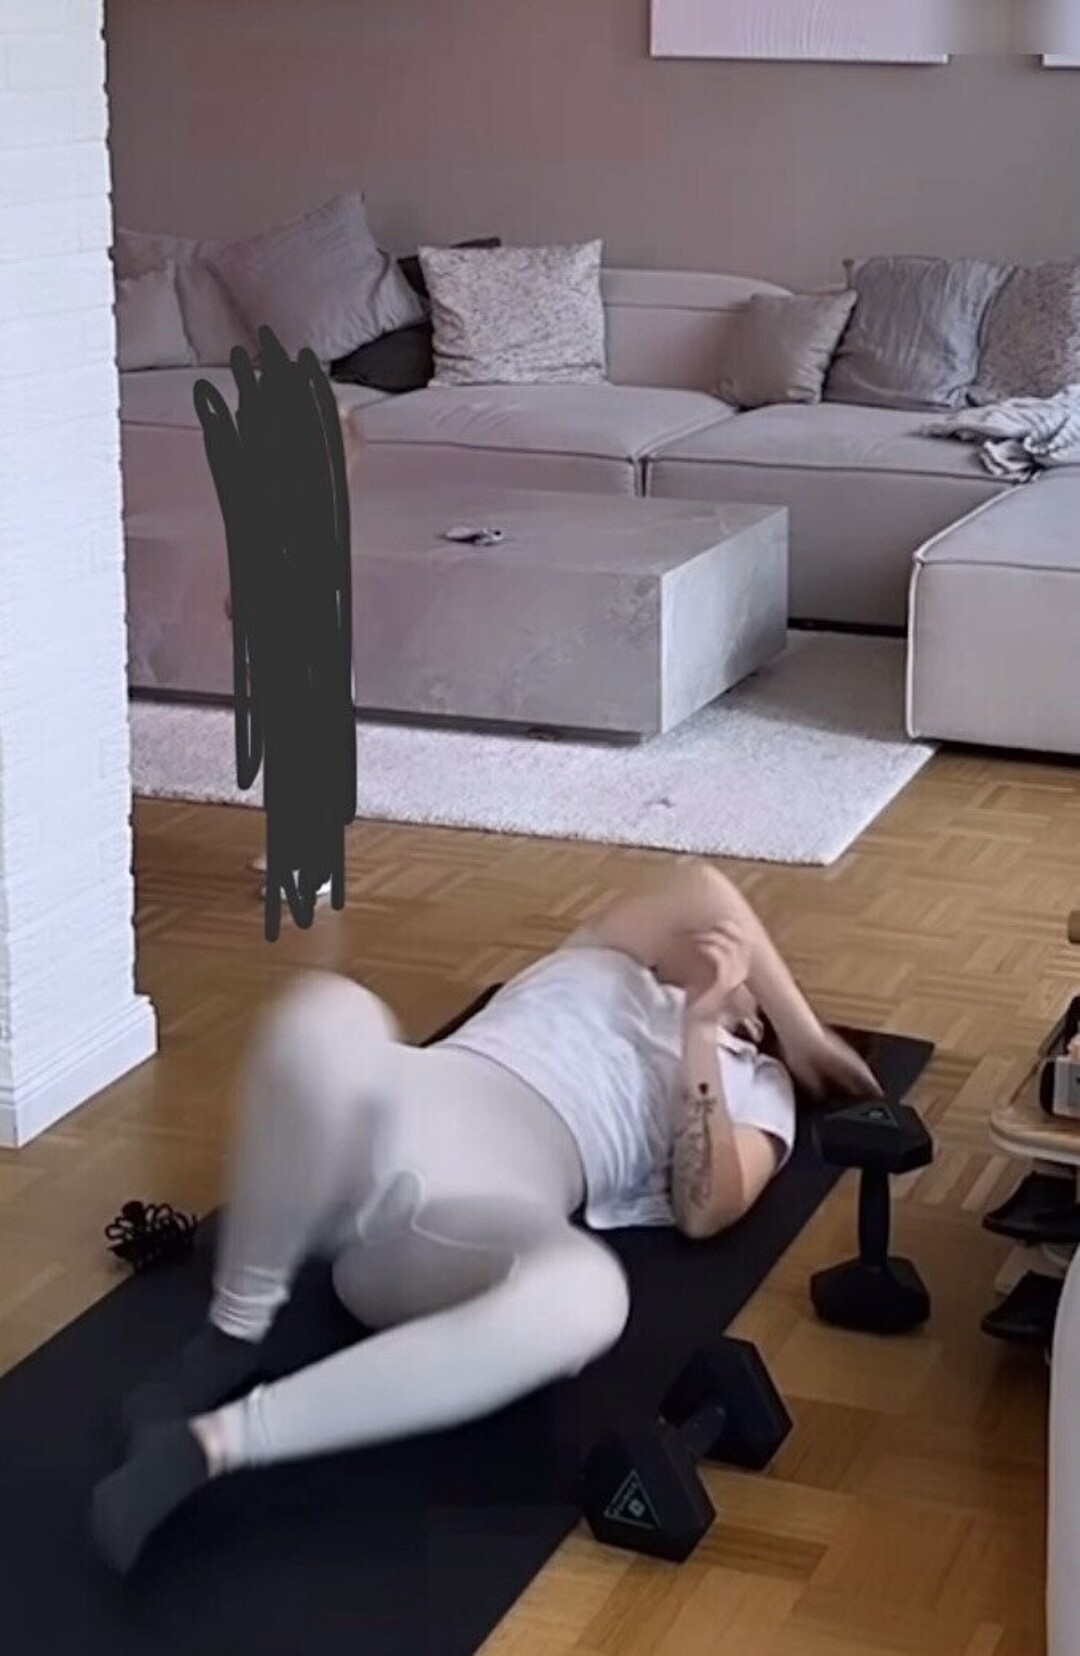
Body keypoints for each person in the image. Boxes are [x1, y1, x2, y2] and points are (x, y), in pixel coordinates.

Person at [91, 858, 882, 1574]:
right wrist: (807, 1027)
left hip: (465, 1218)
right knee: (331, 1011)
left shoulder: (755, 1084)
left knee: (588, 1298)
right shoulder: (601, 955)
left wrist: (704, 1028)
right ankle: (229, 1341)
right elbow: (702, 885)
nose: (721, 947)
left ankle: (209, 1448)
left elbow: (706, 1210)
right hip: (385, 1109)